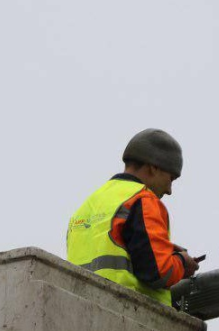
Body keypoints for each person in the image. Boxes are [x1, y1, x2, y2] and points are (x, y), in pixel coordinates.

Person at [66, 129, 199, 306]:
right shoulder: (143, 199)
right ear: (154, 167)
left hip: (78, 311)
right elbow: (158, 272)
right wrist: (182, 262)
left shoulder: (87, 205)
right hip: (126, 313)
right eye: (171, 178)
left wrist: (159, 247)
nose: (169, 190)